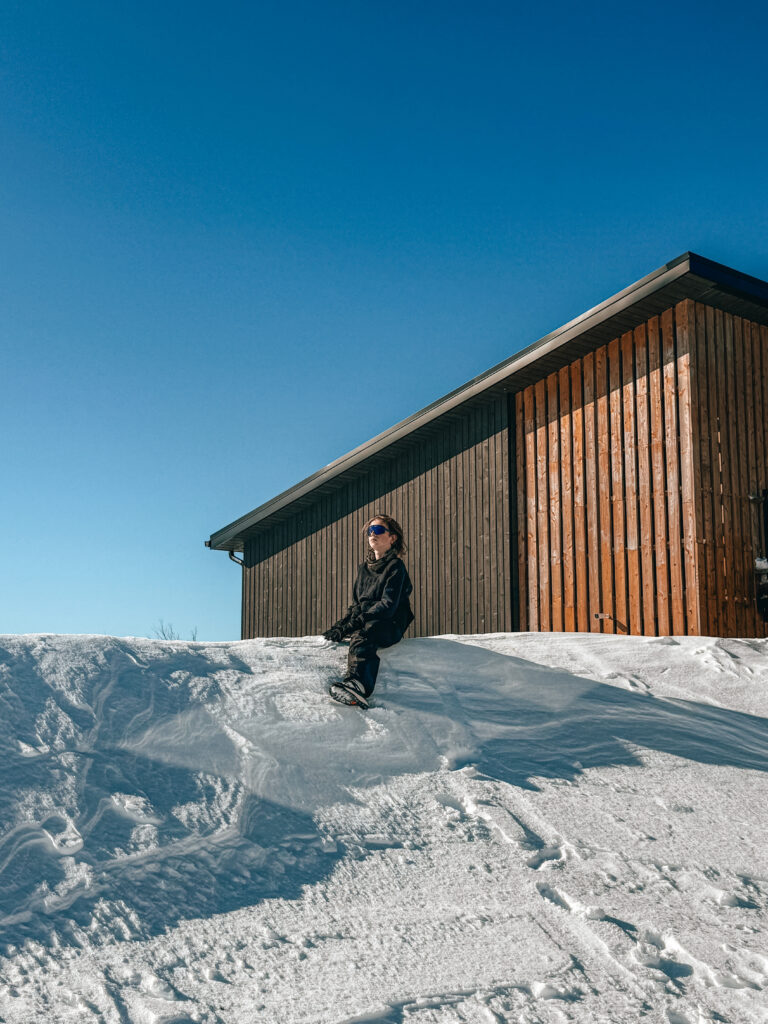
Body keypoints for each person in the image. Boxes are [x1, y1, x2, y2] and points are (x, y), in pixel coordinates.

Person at [323, 514, 414, 707]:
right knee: (357, 631)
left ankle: (359, 685)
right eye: (370, 531)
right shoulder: (363, 569)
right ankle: (353, 683)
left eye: (379, 530)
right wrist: (342, 625)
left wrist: (357, 622)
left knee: (364, 634)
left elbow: (388, 605)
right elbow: (357, 604)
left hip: (390, 623)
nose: (373, 534)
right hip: (368, 620)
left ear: (392, 538)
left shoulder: (396, 567)